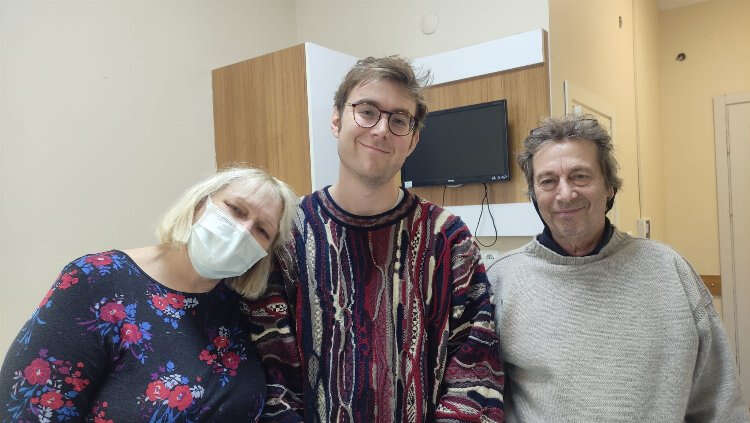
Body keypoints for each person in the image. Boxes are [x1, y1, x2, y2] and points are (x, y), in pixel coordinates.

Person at [248, 56, 504, 422]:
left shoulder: (448, 240)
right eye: (367, 112)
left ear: (413, 140)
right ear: (336, 120)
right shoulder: (288, 233)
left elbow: (475, 371)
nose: (382, 129)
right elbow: (271, 374)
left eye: (399, 120)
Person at [487, 115, 749, 422]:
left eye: (580, 176)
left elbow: (719, 402)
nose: (565, 194)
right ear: (534, 194)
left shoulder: (670, 272)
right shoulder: (501, 282)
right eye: (548, 181)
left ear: (609, 187)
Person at [1, 167, 298, 422]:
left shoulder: (241, 310)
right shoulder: (96, 281)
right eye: (236, 209)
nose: (243, 231)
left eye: (262, 230)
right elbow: (27, 410)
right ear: (199, 203)